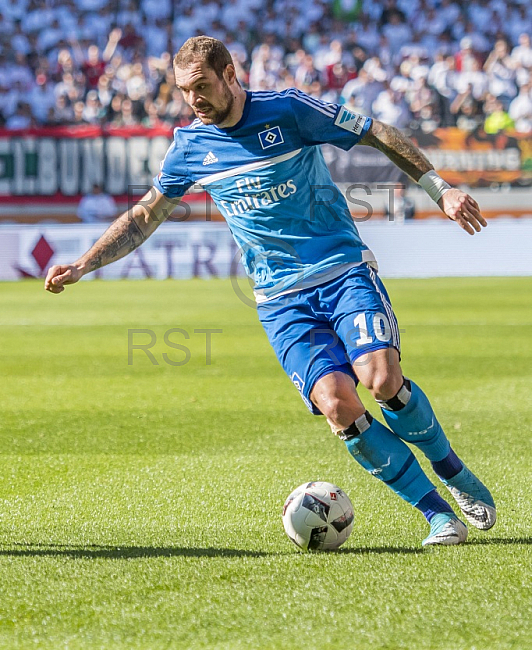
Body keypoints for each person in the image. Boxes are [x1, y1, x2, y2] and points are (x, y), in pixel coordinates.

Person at [45, 36, 495, 547]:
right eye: (183, 91)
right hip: (281, 300)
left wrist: (442, 188)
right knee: (337, 404)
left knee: (382, 378)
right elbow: (147, 213)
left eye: (201, 87)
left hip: (342, 269)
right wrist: (85, 263)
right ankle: (438, 515)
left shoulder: (287, 110)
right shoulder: (190, 147)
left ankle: (453, 473)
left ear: (229, 73)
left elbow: (375, 132)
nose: (193, 100)